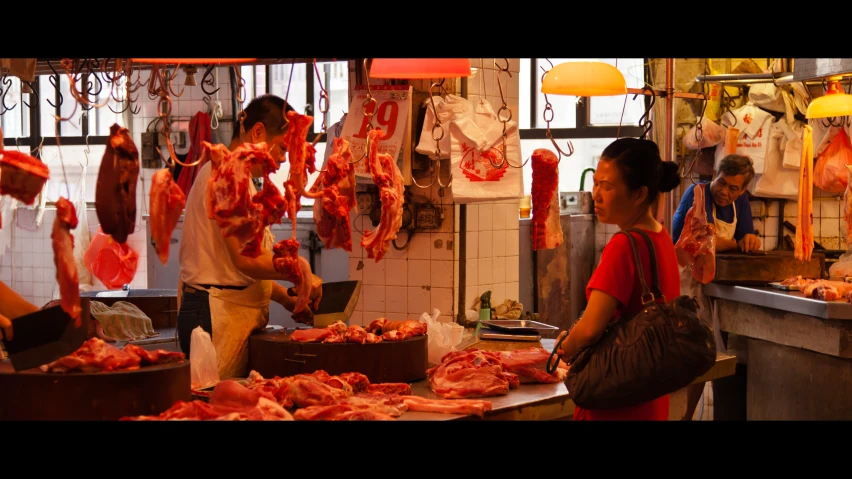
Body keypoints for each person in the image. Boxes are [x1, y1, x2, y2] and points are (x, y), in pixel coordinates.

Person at [177, 94, 323, 381]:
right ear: (257, 132)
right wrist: (300, 272)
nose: (283, 160)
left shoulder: (241, 179)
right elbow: (245, 259)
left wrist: (286, 299)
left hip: (228, 311)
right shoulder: (225, 175)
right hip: (213, 314)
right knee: (215, 409)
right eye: (282, 148)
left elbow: (234, 266)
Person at [554, 137, 681, 420]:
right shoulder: (660, 238)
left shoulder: (624, 244)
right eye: (596, 182)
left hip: (615, 402)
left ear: (638, 195)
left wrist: (565, 347)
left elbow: (590, 329)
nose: (596, 195)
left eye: (607, 187)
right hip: (649, 398)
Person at [671, 154, 758, 421]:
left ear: (743, 190)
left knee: (705, 356)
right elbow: (694, 242)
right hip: (686, 287)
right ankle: (678, 416)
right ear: (715, 175)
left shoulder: (739, 202)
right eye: (722, 183)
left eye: (734, 188)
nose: (725, 192)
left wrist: (749, 240)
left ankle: (685, 416)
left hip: (714, 290)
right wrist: (734, 242)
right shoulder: (695, 194)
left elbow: (745, 237)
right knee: (685, 356)